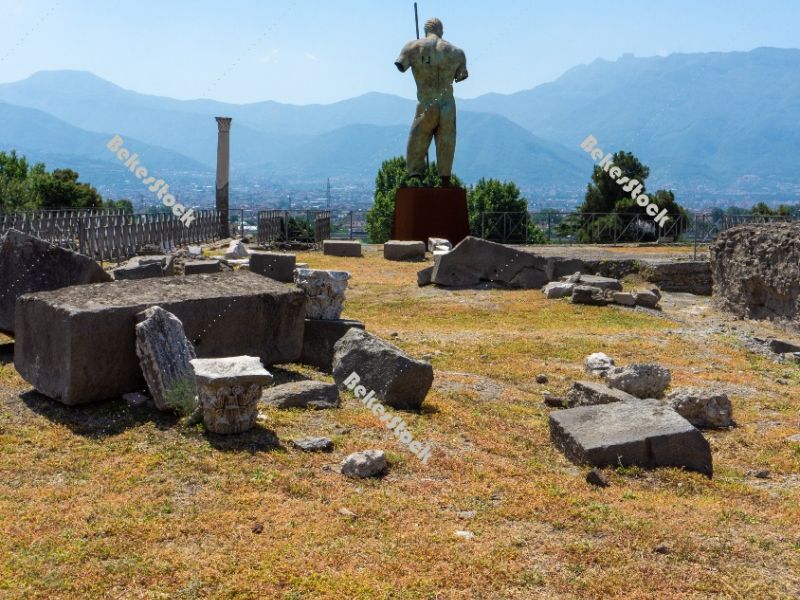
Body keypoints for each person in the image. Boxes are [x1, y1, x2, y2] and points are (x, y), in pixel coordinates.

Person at [395, 17, 468, 186]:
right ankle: (445, 179)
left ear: (425, 30)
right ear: (441, 30)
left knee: (417, 139)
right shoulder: (457, 52)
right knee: (447, 142)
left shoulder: (412, 47)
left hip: (426, 103)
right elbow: (461, 76)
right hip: (447, 105)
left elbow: (401, 65)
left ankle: (415, 177)